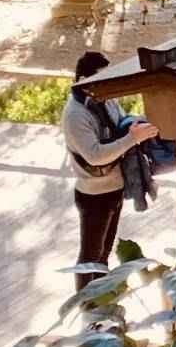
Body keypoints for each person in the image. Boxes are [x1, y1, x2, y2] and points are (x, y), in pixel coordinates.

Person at [63, 49, 159, 270]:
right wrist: (132, 138)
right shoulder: (75, 115)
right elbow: (95, 156)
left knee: (103, 254)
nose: (109, 84)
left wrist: (138, 128)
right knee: (89, 259)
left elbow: (121, 124)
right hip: (94, 195)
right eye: (103, 78)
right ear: (84, 80)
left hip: (115, 188)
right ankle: (88, 294)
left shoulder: (104, 99)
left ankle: (102, 291)